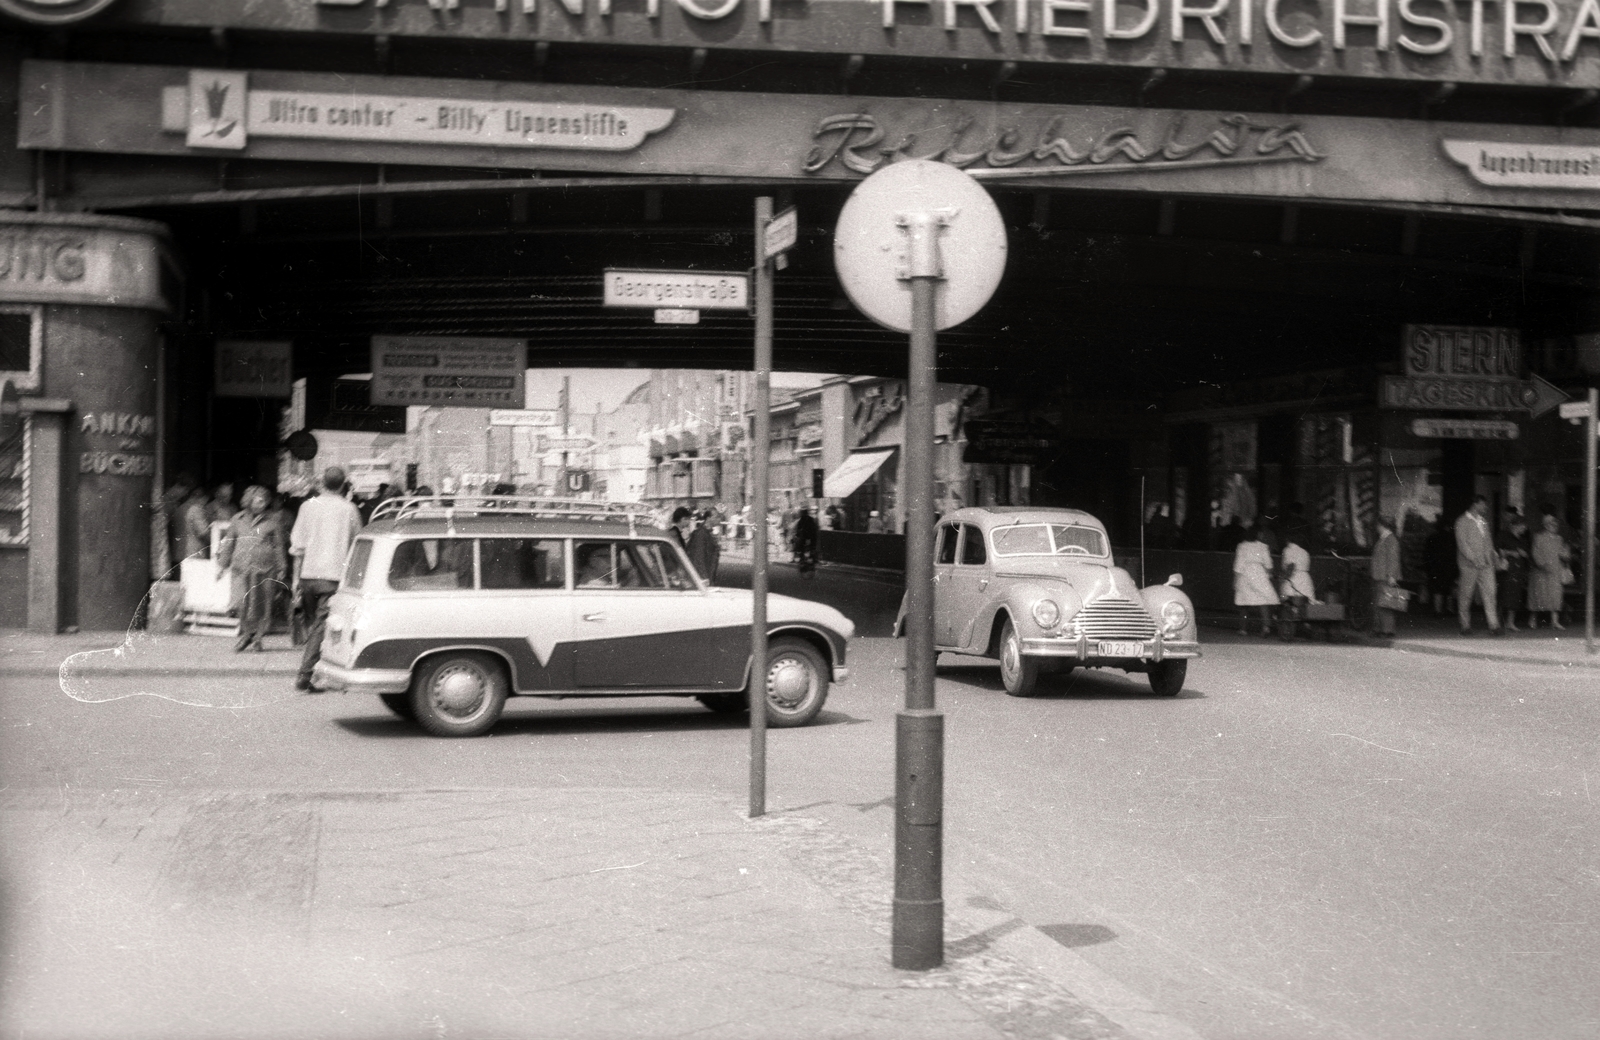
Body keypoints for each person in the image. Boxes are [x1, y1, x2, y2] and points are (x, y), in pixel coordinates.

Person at [289, 466, 365, 691]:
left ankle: (314, 673)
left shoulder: (306, 507)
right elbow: (357, 544)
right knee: (321, 628)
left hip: (308, 575)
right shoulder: (349, 509)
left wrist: (295, 580)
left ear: (322, 482)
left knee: (316, 625)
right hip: (333, 577)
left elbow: (297, 548)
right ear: (344, 485)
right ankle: (306, 674)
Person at [216, 485, 285, 653]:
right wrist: (222, 566)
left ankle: (258, 638)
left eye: (264, 501)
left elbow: (278, 546)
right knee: (242, 603)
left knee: (263, 605)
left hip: (265, 569)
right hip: (241, 569)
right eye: (259, 501)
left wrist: (282, 567)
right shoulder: (237, 520)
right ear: (248, 501)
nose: (262, 504)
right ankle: (247, 634)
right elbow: (229, 543)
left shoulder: (272, 521)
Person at [1454, 495, 1501, 636]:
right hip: (1469, 565)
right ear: (1475, 505)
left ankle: (1494, 625)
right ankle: (1465, 625)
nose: (1485, 507)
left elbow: (1489, 542)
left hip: (1486, 565)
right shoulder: (1462, 521)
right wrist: (1474, 559)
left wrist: (1492, 559)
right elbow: (1462, 544)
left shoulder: (1483, 522)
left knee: (1490, 594)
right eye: (1483, 505)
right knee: (1466, 595)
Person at [1232, 525, 1279, 636]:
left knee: (1244, 603)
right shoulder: (1263, 546)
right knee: (1263, 601)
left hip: (1245, 574)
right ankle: (1266, 627)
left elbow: (1238, 565)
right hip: (1259, 573)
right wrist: (1269, 573)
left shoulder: (1242, 546)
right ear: (1257, 534)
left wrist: (1235, 580)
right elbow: (1268, 564)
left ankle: (1243, 629)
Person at [1528, 513, 1571, 630]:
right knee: (1538, 596)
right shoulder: (1538, 537)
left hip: (1555, 571)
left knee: (1556, 596)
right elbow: (1535, 553)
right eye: (1551, 523)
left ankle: (1555, 621)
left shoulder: (1559, 539)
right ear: (1546, 525)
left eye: (1555, 523)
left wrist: (1566, 554)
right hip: (1541, 571)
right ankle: (1532, 619)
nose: (1554, 525)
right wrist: (1542, 564)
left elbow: (1563, 554)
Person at [1495, 510, 1531, 633]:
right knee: (1502, 595)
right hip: (1506, 569)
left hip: (1518, 570)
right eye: (1522, 526)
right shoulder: (1503, 535)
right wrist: (1511, 552)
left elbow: (1527, 555)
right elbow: (1497, 550)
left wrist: (1524, 554)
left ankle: (1510, 623)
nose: (1524, 529)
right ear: (1515, 525)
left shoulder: (1523, 540)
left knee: (1516, 597)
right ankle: (1497, 622)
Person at [1370, 516, 1402, 639]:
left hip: (1385, 576)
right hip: (1380, 575)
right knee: (1380, 604)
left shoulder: (1390, 539)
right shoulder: (1384, 539)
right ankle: (1380, 629)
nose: (1377, 528)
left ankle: (1387, 630)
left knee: (1386, 604)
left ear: (1382, 526)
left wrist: (1392, 576)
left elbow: (1393, 559)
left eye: (1378, 526)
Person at [1424, 519, 1456, 615]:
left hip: (1436, 567)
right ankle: (1450, 609)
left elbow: (1427, 554)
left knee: (1437, 589)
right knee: (1449, 588)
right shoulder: (1451, 538)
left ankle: (1438, 610)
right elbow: (1454, 554)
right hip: (1448, 567)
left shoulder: (1432, 538)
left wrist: (1428, 567)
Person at [180, 482, 213, 561]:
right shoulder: (196, 510)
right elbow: (203, 533)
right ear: (204, 498)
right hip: (195, 553)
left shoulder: (187, 507)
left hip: (188, 551)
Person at [687, 509, 720, 584]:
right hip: (703, 577)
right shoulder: (701, 534)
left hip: (709, 574)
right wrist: (704, 578)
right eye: (716, 517)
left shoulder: (707, 533)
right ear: (708, 518)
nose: (719, 519)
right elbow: (699, 557)